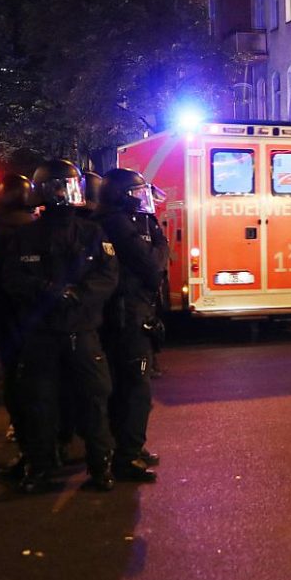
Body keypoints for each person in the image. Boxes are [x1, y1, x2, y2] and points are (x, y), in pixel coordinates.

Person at [3, 159, 119, 493]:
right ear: (42, 190)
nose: (63, 193)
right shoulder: (26, 235)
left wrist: (79, 295)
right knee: (40, 404)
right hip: (43, 335)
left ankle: (100, 467)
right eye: (56, 186)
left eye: (66, 186)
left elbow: (108, 276)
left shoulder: (91, 231)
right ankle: (40, 468)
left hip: (81, 332)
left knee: (95, 402)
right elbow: (12, 278)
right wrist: (47, 291)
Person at [97, 168, 164, 482]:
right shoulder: (117, 224)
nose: (142, 199)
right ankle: (127, 455)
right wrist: (161, 247)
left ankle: (130, 447)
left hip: (131, 312)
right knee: (135, 388)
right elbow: (152, 266)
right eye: (136, 193)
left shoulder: (130, 221)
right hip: (126, 315)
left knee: (130, 386)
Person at [0, 174, 36, 465]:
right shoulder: (37, 227)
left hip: (7, 317)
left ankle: (22, 427)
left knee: (14, 376)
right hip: (39, 316)